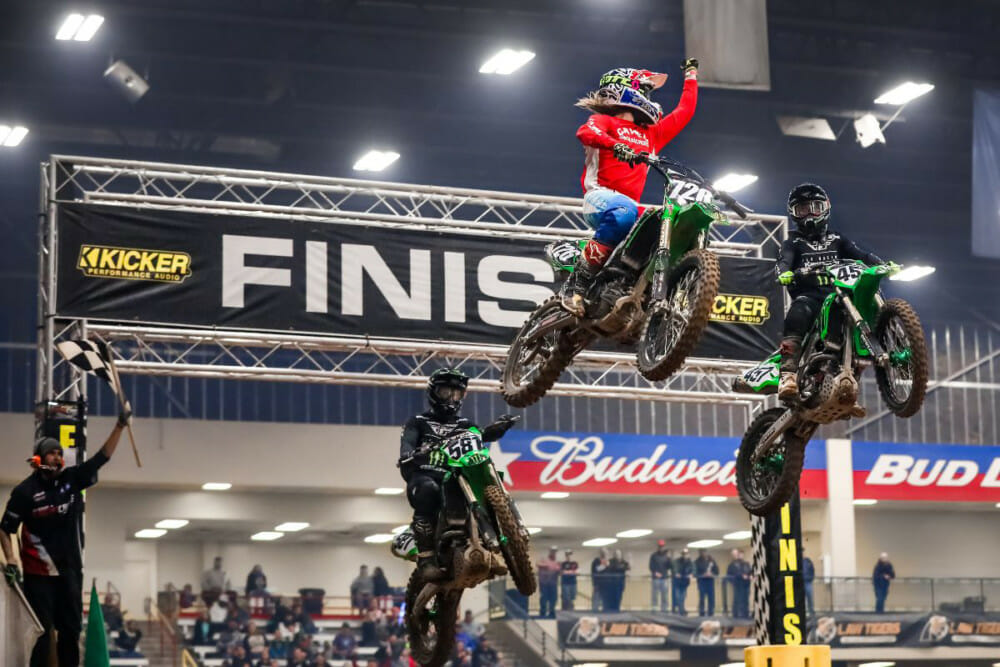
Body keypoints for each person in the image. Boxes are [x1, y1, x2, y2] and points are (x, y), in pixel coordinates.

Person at [563, 59, 700, 316]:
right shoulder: (604, 121)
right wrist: (615, 145)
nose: (650, 97)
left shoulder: (652, 134)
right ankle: (577, 286)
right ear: (626, 89)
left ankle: (625, 283)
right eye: (646, 90)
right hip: (599, 197)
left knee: (663, 223)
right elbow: (585, 133)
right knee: (625, 210)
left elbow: (684, 111)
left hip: (629, 205)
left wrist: (691, 76)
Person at [0, 401, 130, 667]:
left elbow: (101, 458)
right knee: (42, 632)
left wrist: (119, 426)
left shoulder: (71, 479)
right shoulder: (24, 492)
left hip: (70, 571)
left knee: (70, 631)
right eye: (52, 453)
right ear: (39, 458)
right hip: (38, 575)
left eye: (60, 453)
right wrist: (11, 560)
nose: (58, 457)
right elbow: (5, 529)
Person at [775, 183, 897, 400]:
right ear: (794, 214)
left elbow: (861, 255)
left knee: (868, 297)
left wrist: (882, 265)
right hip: (811, 297)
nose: (810, 214)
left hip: (842, 295)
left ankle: (878, 351)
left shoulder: (837, 239)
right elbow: (784, 261)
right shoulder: (793, 241)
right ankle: (788, 374)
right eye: (803, 209)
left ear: (826, 208)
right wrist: (785, 273)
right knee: (798, 311)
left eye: (815, 207)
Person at [398, 368, 518, 579]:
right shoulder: (417, 421)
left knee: (490, 478)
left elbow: (477, 440)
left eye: (457, 393)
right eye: (446, 392)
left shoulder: (466, 425)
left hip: (458, 474)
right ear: (434, 393)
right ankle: (426, 557)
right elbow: (407, 445)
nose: (452, 398)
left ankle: (502, 546)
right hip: (427, 473)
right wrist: (411, 454)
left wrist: (494, 431)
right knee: (427, 490)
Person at [537, 546, 562, 618]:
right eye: (552, 551)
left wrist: (557, 568)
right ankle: (542, 613)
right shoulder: (544, 560)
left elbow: (559, 571)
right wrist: (548, 566)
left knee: (553, 599)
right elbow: (538, 564)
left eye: (555, 552)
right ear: (550, 552)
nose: (554, 553)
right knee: (544, 598)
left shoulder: (557, 562)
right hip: (544, 583)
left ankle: (552, 612)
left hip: (553, 583)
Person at [726, 549, 751, 619]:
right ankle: (736, 615)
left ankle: (745, 614)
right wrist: (734, 581)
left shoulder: (746, 563)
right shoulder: (731, 565)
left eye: (737, 554)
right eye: (734, 554)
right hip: (737, 584)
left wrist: (750, 576)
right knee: (736, 599)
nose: (737, 556)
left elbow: (749, 572)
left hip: (746, 584)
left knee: (745, 600)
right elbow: (729, 575)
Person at [648, 540, 672, 612]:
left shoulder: (666, 557)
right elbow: (651, 566)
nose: (661, 548)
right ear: (658, 547)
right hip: (656, 578)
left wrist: (669, 559)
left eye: (662, 546)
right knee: (655, 594)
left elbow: (669, 566)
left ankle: (664, 609)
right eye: (660, 546)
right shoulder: (653, 556)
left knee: (664, 595)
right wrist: (655, 572)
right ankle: (654, 609)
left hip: (664, 578)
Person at [694, 549, 719, 616]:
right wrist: (703, 575)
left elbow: (716, 571)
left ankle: (711, 612)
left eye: (705, 552)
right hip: (702, 582)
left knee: (711, 598)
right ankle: (701, 613)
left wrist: (712, 574)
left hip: (710, 581)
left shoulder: (711, 560)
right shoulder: (697, 562)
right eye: (702, 552)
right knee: (702, 598)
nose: (704, 553)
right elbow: (695, 573)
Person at [672, 548, 693, 615]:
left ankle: (681, 610)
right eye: (684, 554)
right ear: (682, 554)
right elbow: (675, 568)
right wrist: (676, 573)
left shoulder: (690, 562)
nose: (685, 555)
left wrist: (691, 574)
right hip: (677, 582)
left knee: (683, 597)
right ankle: (680, 611)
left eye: (686, 554)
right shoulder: (677, 561)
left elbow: (693, 569)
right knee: (678, 597)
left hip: (685, 583)